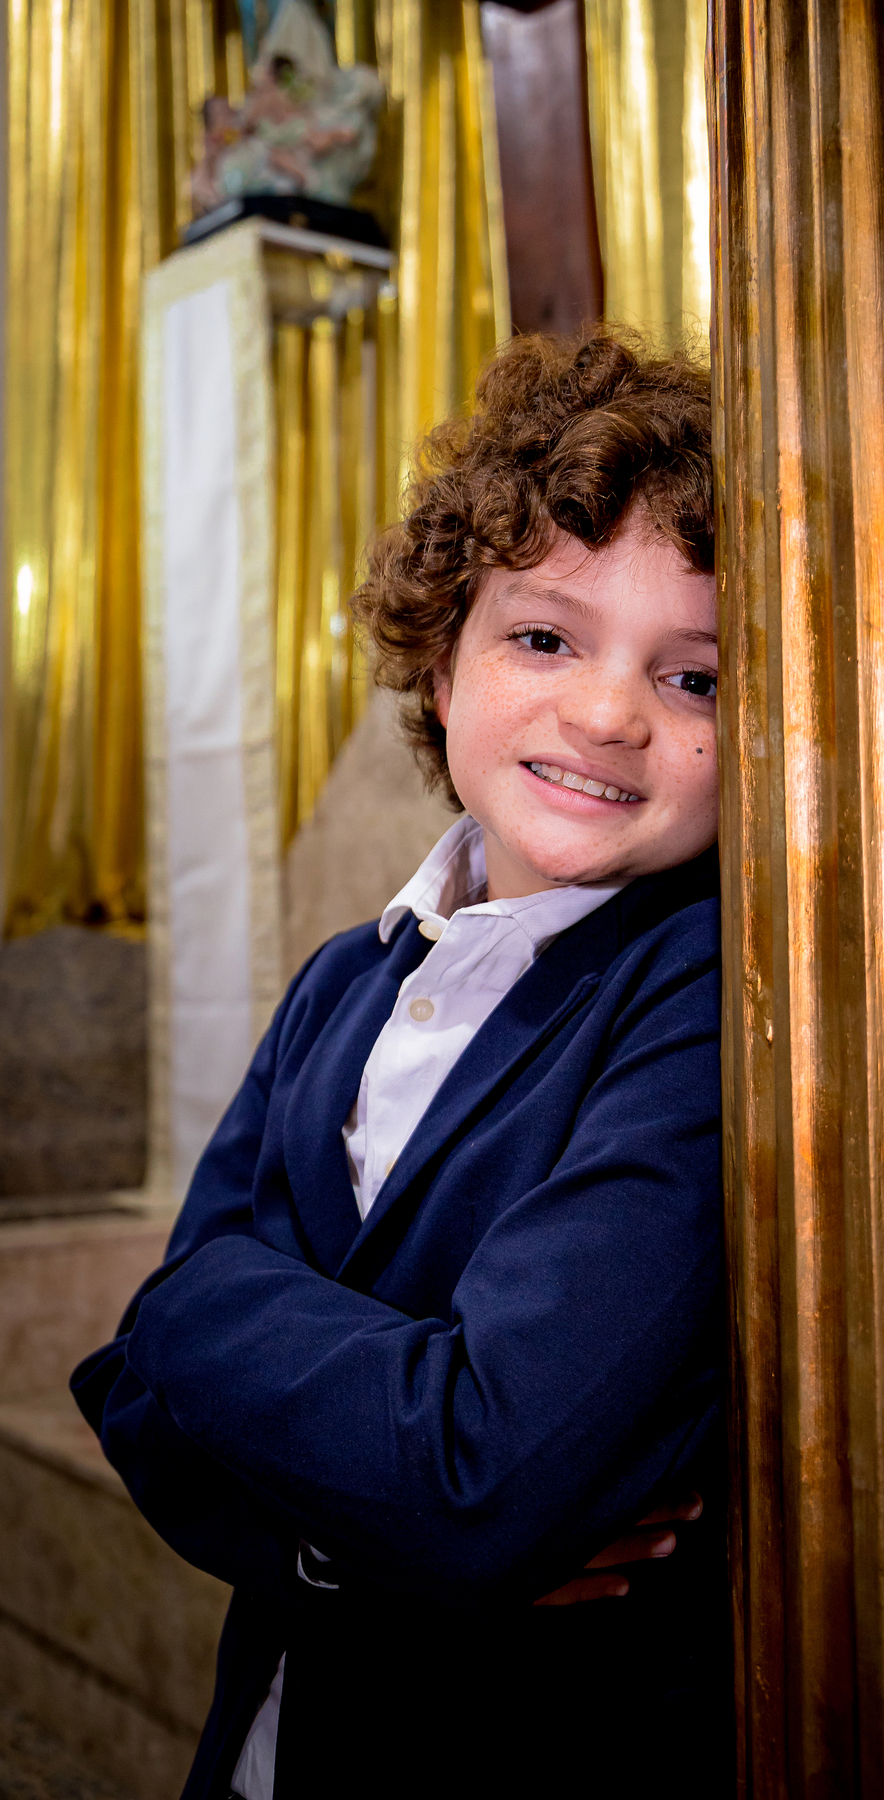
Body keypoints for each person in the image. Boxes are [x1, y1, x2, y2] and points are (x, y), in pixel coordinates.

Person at [72, 328, 730, 1799]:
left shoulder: (699, 998)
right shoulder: (342, 983)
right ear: (442, 662)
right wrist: (330, 1536)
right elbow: (133, 1406)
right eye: (546, 637)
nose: (612, 712)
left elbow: (479, 1478)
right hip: (270, 1742)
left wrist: (202, 1306)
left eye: (694, 680)